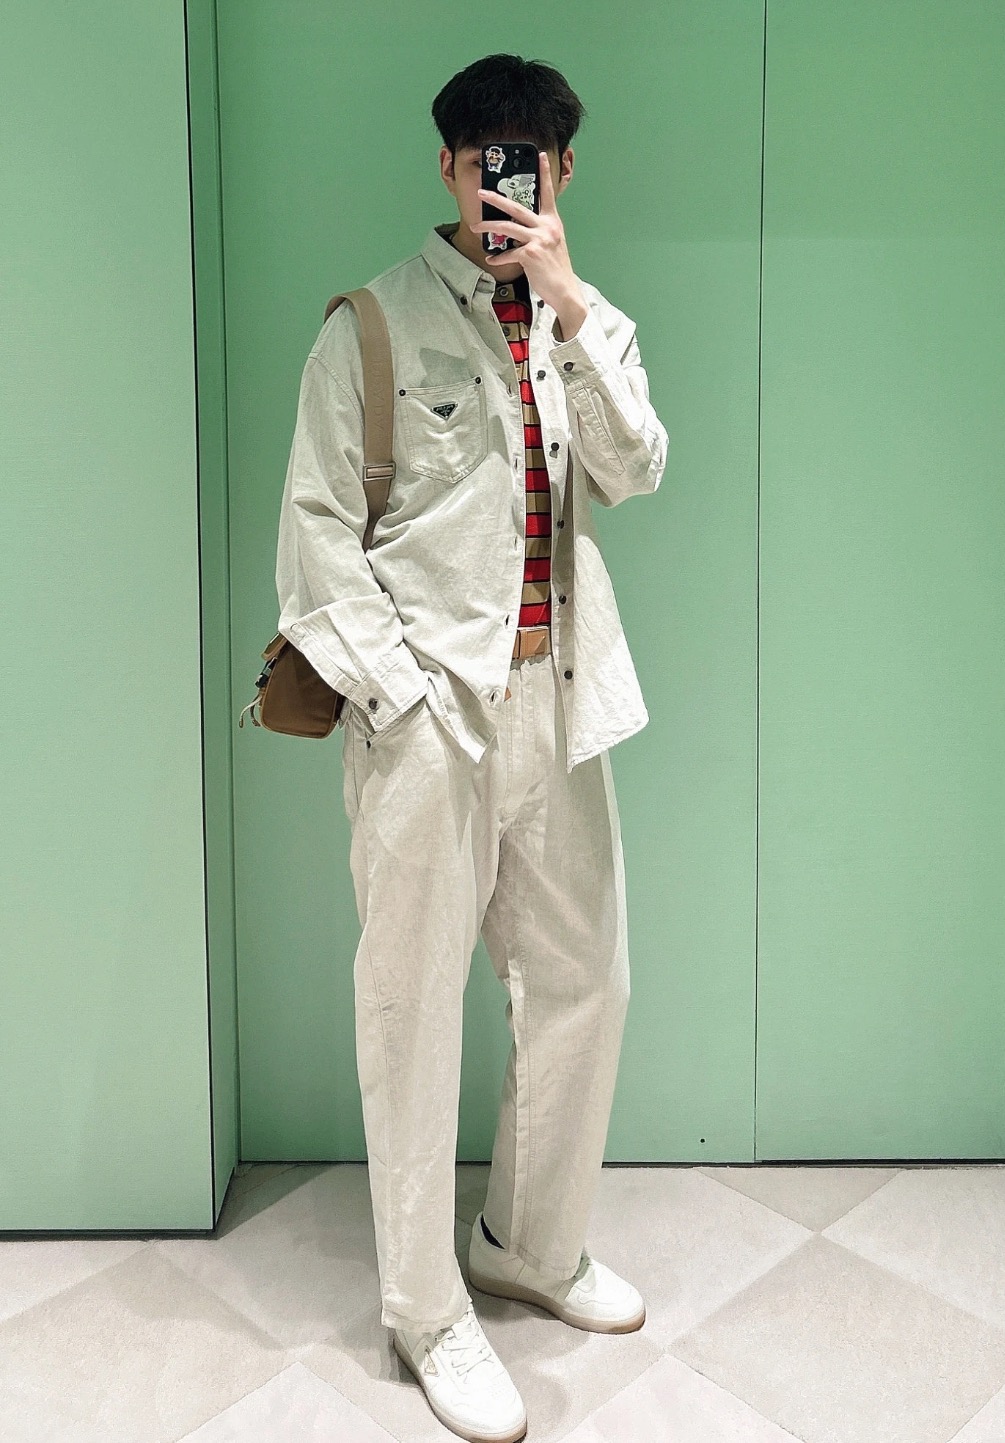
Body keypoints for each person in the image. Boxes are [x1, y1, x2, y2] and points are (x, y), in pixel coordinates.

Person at [275, 52, 669, 1443]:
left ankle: (528, 1246)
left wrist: (568, 300)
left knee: (582, 984)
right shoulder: (370, 327)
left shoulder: (580, 322)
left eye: (533, 162)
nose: (507, 182)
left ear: (561, 174)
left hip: (561, 705)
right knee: (411, 1009)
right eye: (485, 158)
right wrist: (402, 701)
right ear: (447, 167)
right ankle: (425, 1307)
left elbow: (636, 468)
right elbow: (316, 538)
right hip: (429, 721)